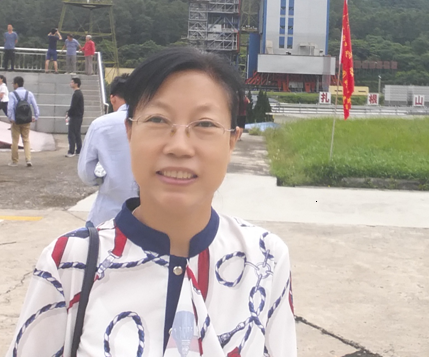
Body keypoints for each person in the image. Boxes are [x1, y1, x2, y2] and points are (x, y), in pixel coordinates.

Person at [6, 47, 296, 356]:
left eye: (205, 124)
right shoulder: (68, 262)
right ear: (130, 131)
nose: (179, 147)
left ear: (232, 140)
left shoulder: (265, 259)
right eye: (158, 119)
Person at [78, 73, 138, 225]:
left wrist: (103, 178)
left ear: (112, 98)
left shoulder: (100, 125)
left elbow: (86, 173)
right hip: (145, 218)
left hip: (107, 215)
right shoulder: (155, 123)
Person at [7, 76, 39, 167]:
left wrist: (11, 118)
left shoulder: (12, 94)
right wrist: (36, 116)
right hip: (26, 120)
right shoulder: (29, 93)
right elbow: (35, 106)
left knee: (15, 141)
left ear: (16, 84)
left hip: (16, 120)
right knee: (26, 140)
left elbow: (10, 108)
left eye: (13, 83)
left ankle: (15, 161)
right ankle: (28, 159)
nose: (13, 85)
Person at [65, 77, 84, 157]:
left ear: (76, 84)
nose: (71, 83)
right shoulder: (79, 93)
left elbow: (73, 106)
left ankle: (71, 151)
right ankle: (79, 150)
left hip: (75, 116)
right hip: (78, 116)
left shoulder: (76, 94)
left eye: (72, 82)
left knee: (72, 134)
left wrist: (68, 113)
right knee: (77, 133)